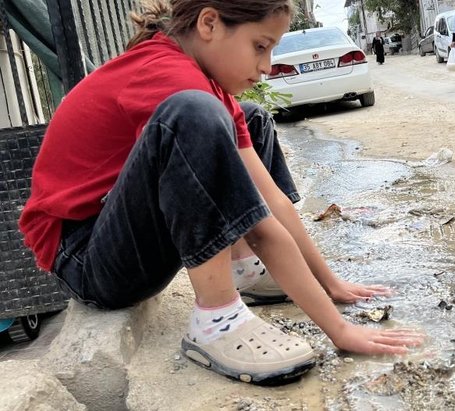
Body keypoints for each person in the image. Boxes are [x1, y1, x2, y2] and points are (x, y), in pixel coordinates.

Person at [19, 0, 422, 386]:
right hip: (86, 258)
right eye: (260, 47)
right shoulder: (170, 77)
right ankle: (216, 319)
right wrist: (338, 330)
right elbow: (262, 226)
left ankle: (241, 266)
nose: (266, 67)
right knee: (192, 115)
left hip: (117, 234)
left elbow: (273, 205)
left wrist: (329, 283)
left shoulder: (208, 86)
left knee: (251, 119)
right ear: (209, 24)